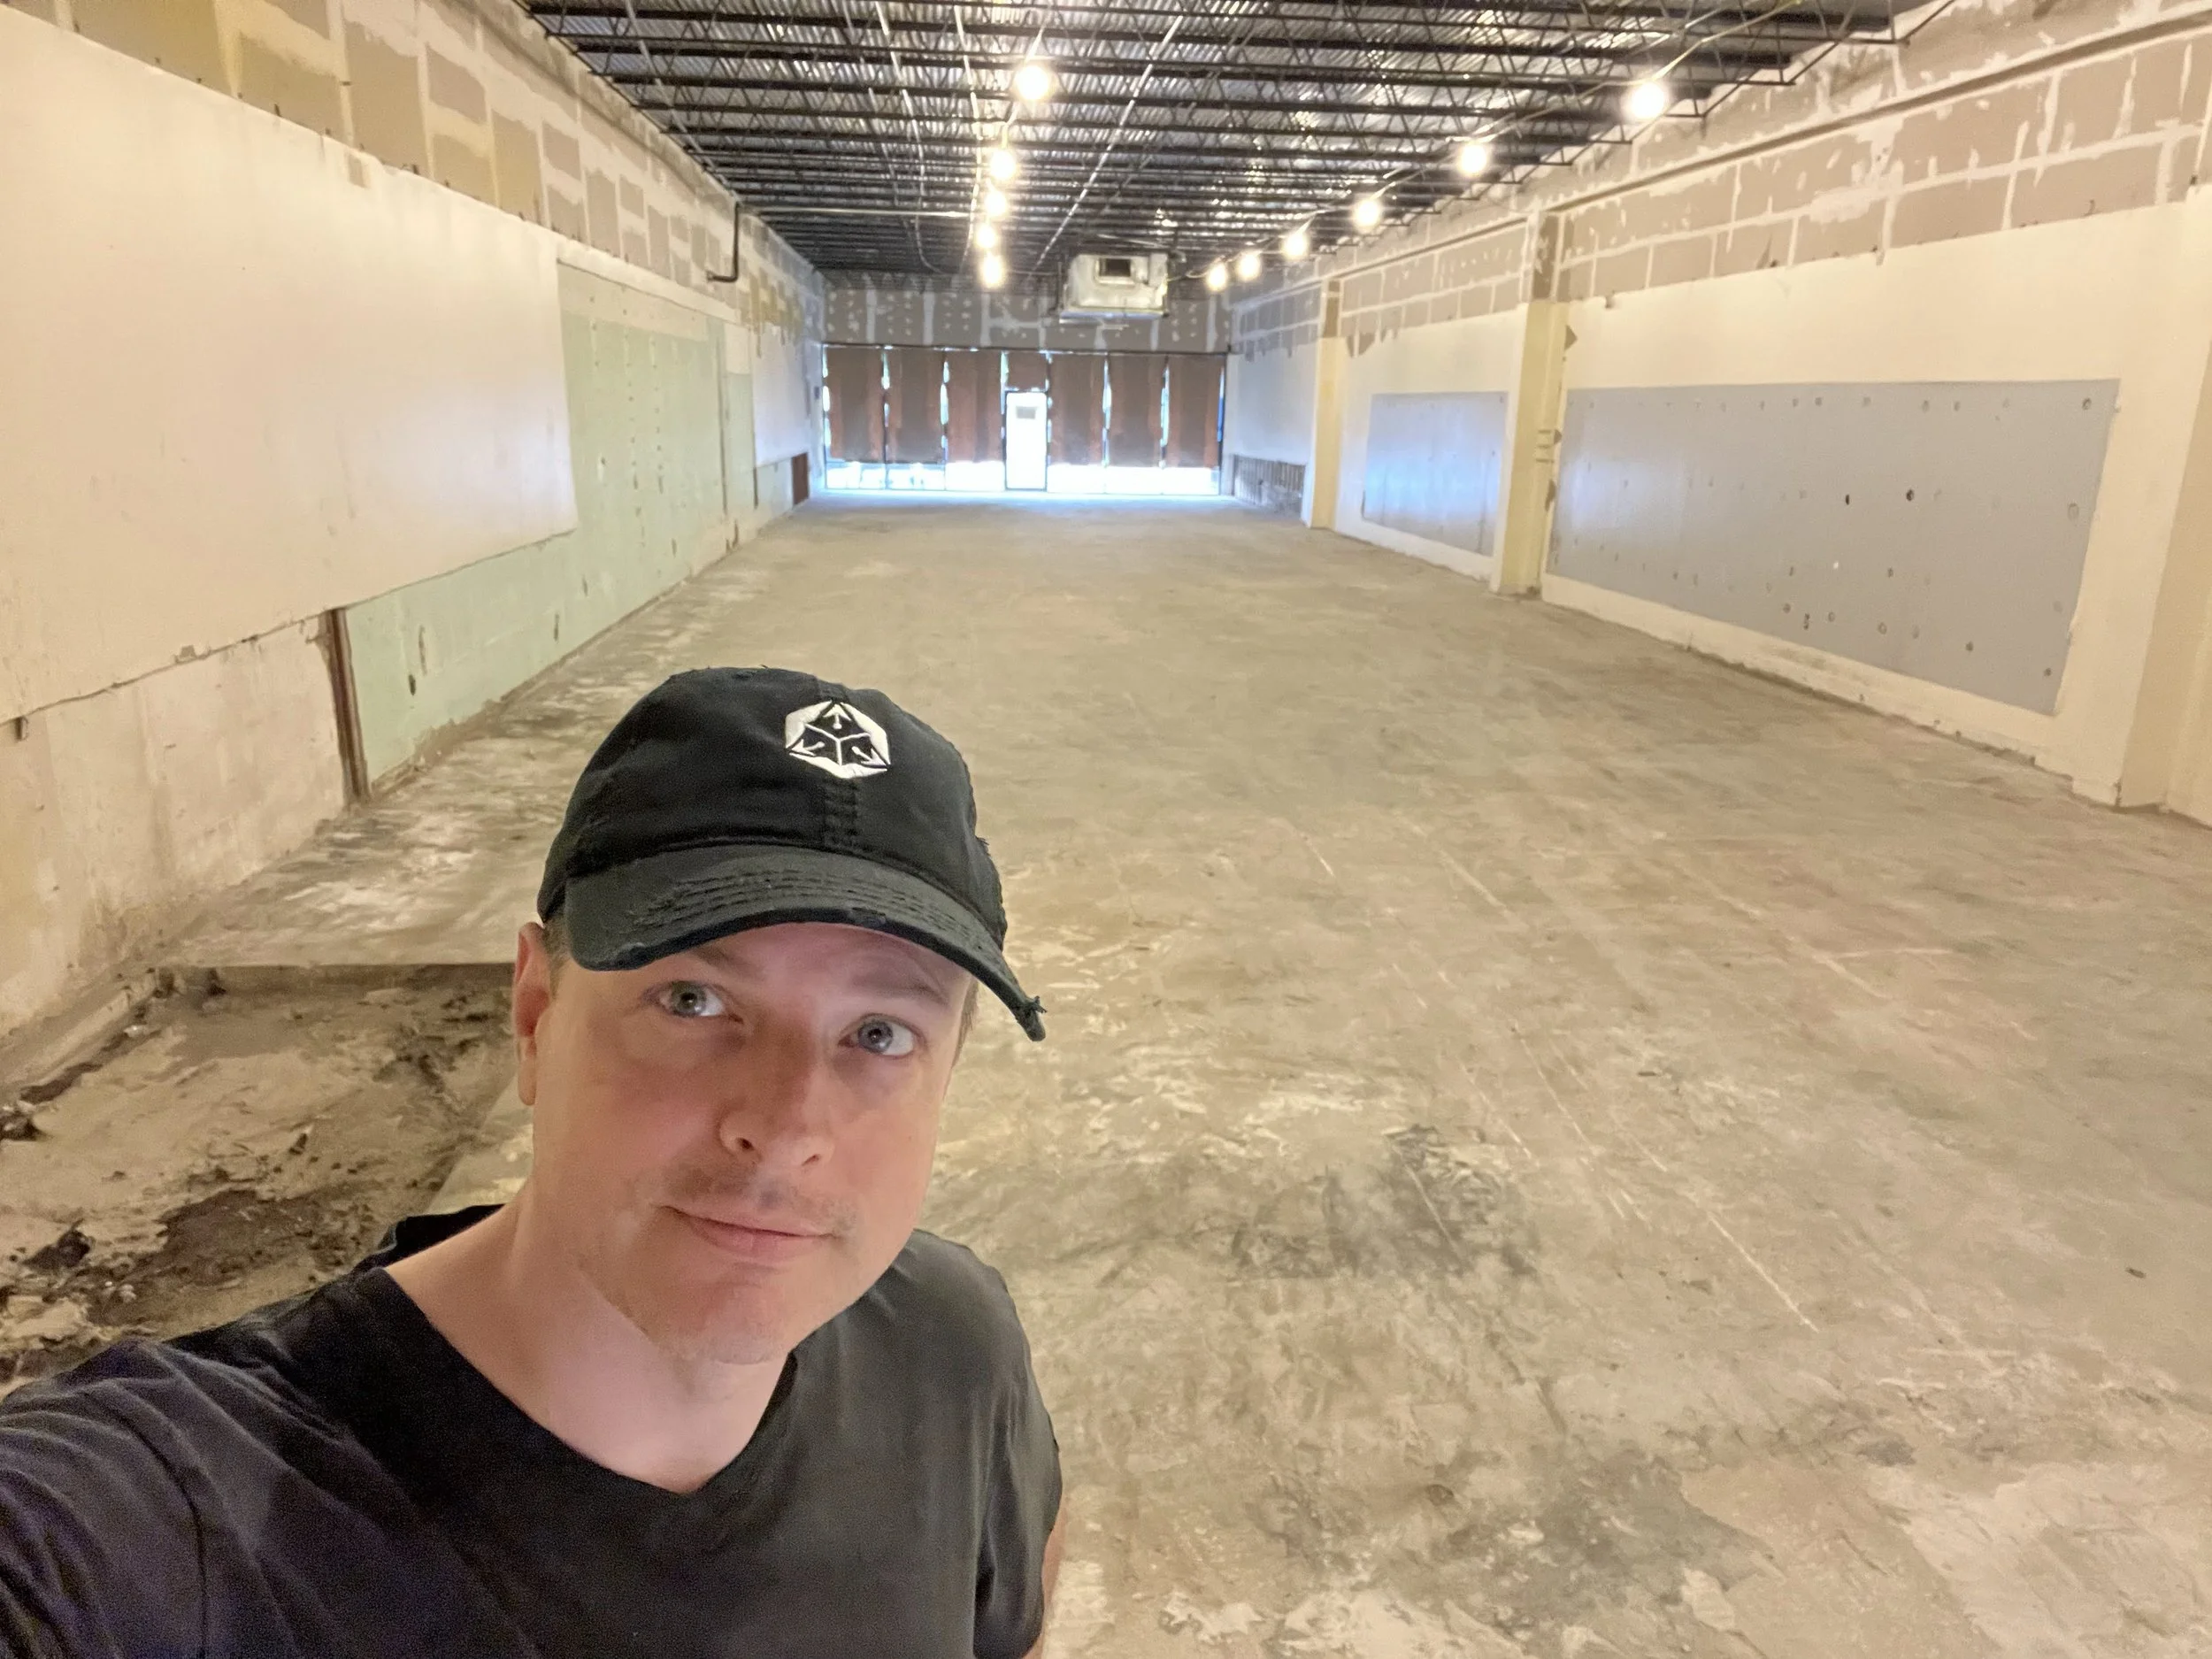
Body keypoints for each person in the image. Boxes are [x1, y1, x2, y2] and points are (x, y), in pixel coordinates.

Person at [0, 667, 1064, 1657]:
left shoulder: (951, 1348)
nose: (785, 1125)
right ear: (533, 1013)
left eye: (879, 1033)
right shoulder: (171, 1521)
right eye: (695, 1001)